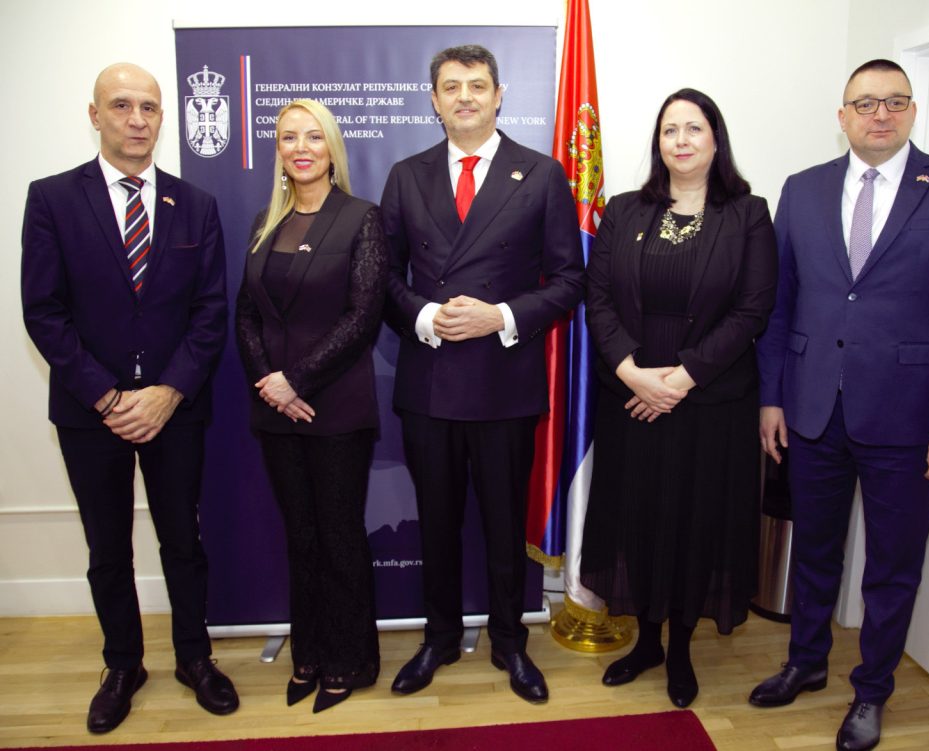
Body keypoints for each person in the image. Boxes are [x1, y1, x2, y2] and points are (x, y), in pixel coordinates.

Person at [750, 59, 929, 751]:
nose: (879, 114)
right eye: (864, 103)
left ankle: (871, 691)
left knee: (891, 567)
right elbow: (780, 305)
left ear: (912, 111)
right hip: (812, 411)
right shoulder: (802, 189)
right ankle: (805, 662)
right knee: (814, 552)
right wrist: (772, 398)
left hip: (910, 419)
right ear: (843, 117)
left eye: (894, 101)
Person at [21, 63, 238, 733]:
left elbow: (210, 311)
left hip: (177, 409)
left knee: (183, 541)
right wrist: (108, 396)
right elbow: (43, 311)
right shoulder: (52, 199)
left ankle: (194, 657)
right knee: (108, 547)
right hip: (92, 413)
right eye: (121, 105)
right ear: (96, 115)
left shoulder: (195, 204)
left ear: (162, 117)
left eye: (149, 107)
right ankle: (123, 664)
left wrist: (168, 391)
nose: (137, 119)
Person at [381, 44, 584, 704]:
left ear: (499, 96)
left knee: (503, 525)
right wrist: (427, 316)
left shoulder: (542, 174)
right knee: (436, 523)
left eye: (476, 85)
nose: (464, 97)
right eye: (451, 86)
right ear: (434, 101)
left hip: (505, 382)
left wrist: (499, 315)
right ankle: (439, 638)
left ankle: (509, 642)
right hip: (430, 382)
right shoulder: (406, 176)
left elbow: (570, 280)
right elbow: (383, 278)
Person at [580, 88, 778, 708]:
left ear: (716, 140)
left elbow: (752, 311)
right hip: (632, 398)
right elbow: (597, 300)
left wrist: (680, 380)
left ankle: (683, 647)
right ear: (658, 142)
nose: (682, 140)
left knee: (695, 522)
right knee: (637, 516)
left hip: (709, 402)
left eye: (695, 128)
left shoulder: (748, 214)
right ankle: (646, 642)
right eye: (670, 129)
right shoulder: (623, 210)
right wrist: (632, 372)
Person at [235, 99, 387, 714]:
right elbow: (246, 314)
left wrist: (296, 380)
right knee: (300, 536)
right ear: (277, 151)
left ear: (331, 148)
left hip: (336, 407)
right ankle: (309, 653)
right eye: (288, 137)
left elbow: (363, 316)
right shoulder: (263, 223)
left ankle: (351, 659)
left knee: (339, 536)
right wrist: (270, 384)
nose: (301, 148)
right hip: (276, 409)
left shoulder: (360, 218)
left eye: (313, 137)